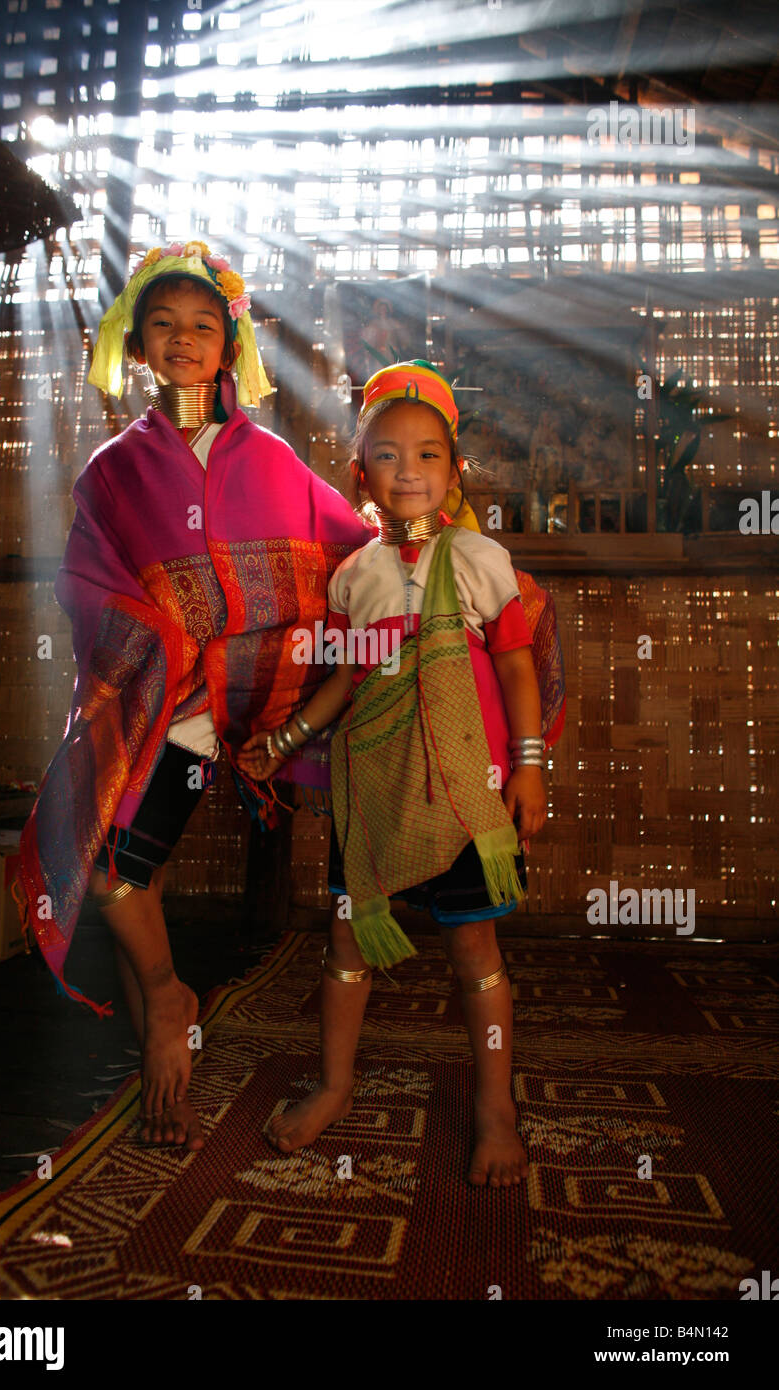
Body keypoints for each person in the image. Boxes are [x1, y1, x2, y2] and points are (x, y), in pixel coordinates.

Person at [10, 239, 368, 1151]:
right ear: (136, 345)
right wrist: (163, 634)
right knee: (125, 878)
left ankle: (161, 1039)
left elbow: (345, 551)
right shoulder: (112, 471)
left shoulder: (275, 459)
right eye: (162, 324)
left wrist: (418, 554)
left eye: (203, 325)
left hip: (248, 707)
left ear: (229, 347)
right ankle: (163, 1023)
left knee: (133, 882)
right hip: (163, 709)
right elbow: (88, 582)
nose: (182, 338)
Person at [238, 360, 566, 1187]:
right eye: (388, 455)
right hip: (375, 790)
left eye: (428, 455)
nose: (409, 471)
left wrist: (528, 769)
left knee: (473, 951)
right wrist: (280, 744)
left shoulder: (481, 558)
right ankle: (334, 1085)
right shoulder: (356, 576)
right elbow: (348, 681)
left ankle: (496, 1110)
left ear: (455, 474)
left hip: (465, 796)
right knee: (345, 943)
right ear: (361, 475)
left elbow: (520, 670)